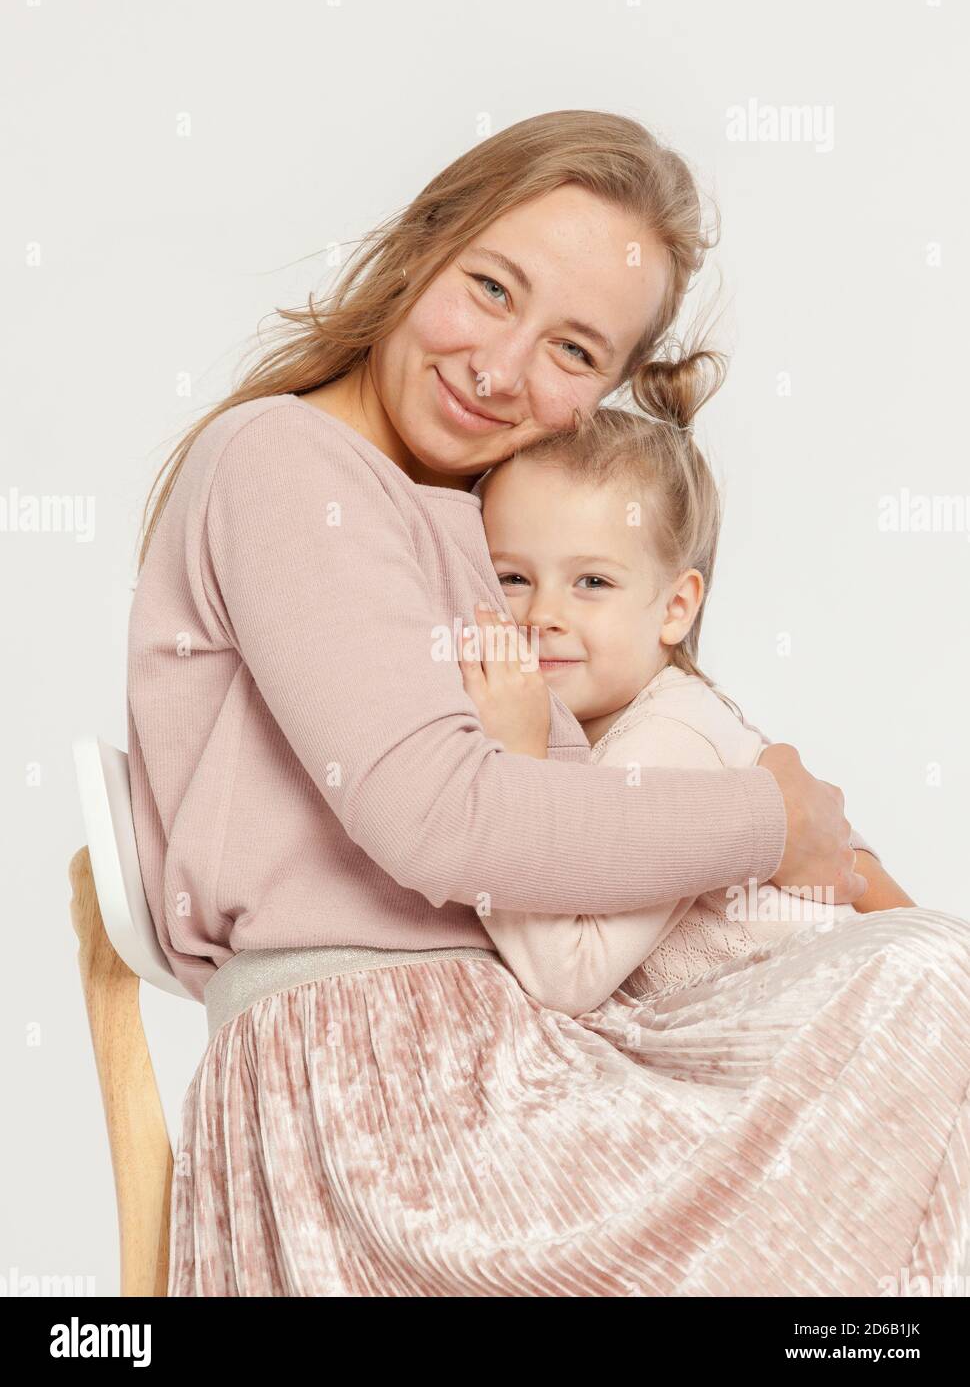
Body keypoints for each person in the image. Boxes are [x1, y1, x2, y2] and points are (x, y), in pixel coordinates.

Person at [128, 111, 970, 1295]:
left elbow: (573, 799)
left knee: (922, 997)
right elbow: (442, 815)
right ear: (420, 247)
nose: (500, 367)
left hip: (501, 1062)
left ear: (613, 392)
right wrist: (771, 816)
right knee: (928, 989)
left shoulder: (475, 521)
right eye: (489, 288)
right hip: (388, 1107)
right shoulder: (287, 463)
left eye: (574, 352)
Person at [466, 383, 891, 1018]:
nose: (545, 613)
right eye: (513, 577)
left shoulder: (669, 736)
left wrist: (513, 765)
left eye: (592, 581)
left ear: (675, 607)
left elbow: (567, 977)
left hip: (850, 1030)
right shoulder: (601, 732)